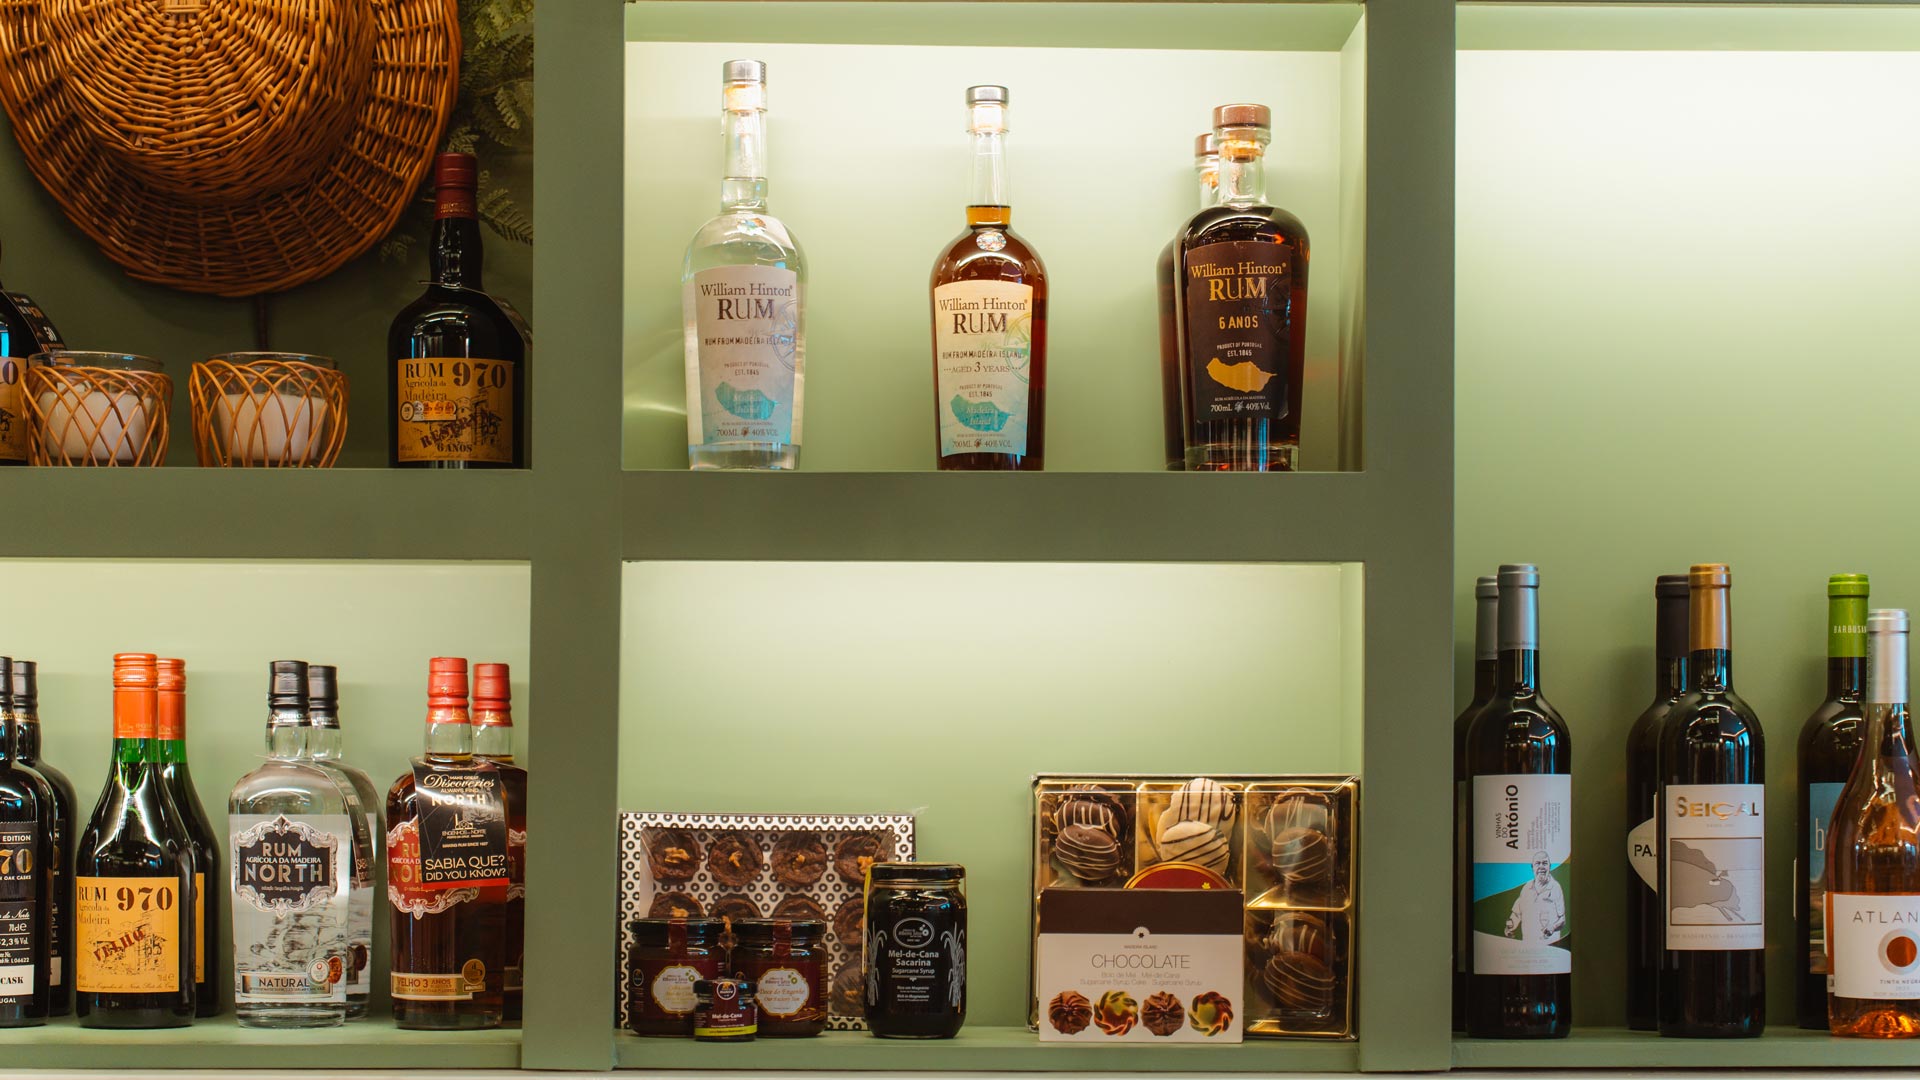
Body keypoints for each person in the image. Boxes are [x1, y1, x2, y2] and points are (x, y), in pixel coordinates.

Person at [1503, 850, 1568, 943]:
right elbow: (1517, 914)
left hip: (1550, 947)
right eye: (1538, 863)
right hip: (1527, 945)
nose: (1541, 866)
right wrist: (1510, 927)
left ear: (1549, 866)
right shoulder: (1526, 888)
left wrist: (1552, 927)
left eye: (1545, 863)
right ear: (1532, 867)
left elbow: (1562, 919)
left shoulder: (1556, 887)